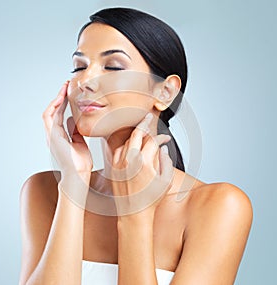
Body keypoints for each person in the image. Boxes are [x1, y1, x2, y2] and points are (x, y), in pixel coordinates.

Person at [19, 7, 253, 285]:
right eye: (79, 66)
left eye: (113, 66)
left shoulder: (219, 207)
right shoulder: (43, 192)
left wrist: (136, 219)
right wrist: (73, 184)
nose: (84, 81)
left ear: (165, 92)